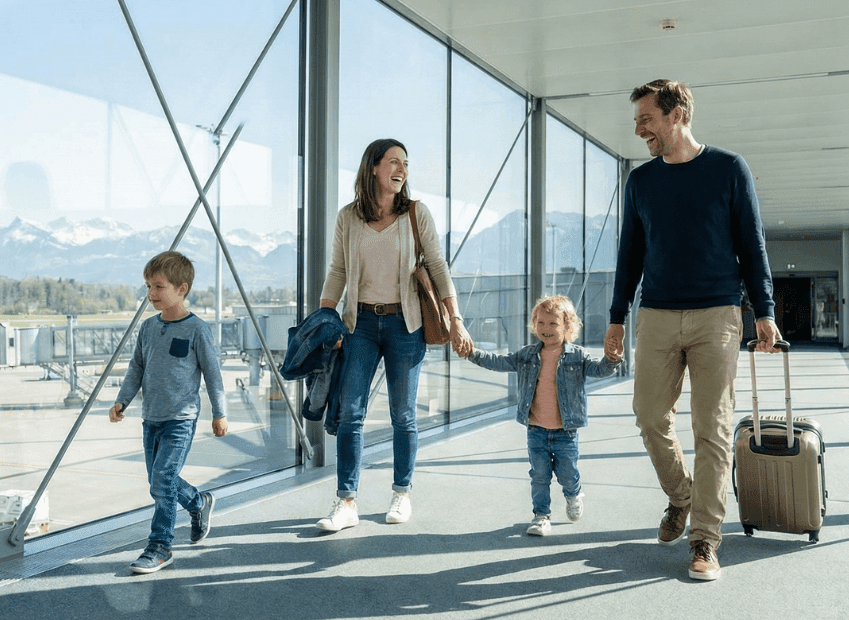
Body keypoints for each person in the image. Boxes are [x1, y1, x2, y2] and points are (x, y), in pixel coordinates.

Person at [604, 79, 782, 581]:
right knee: (648, 414)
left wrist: (763, 310)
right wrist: (616, 318)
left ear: (676, 112)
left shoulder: (728, 168)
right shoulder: (641, 182)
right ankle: (682, 497)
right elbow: (629, 257)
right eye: (637, 121)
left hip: (716, 317)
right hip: (656, 314)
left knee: (712, 427)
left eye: (646, 119)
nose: (639, 129)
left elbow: (753, 244)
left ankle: (705, 539)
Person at [315, 138, 473, 532]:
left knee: (403, 415)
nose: (401, 169)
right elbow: (338, 271)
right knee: (350, 412)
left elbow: (437, 266)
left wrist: (456, 318)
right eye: (393, 161)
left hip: (407, 324)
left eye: (405, 162)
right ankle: (346, 502)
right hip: (360, 326)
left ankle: (401, 493)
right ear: (373, 167)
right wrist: (324, 316)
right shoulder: (348, 217)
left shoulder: (416, 214)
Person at [110, 251, 228, 574]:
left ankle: (160, 545)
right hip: (152, 420)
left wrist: (220, 413)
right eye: (149, 286)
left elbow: (213, 375)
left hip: (181, 420)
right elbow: (136, 369)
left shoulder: (196, 330)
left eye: (159, 287)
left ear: (182, 289)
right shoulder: (148, 329)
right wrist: (123, 400)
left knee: (163, 478)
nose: (151, 294)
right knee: (159, 480)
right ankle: (198, 503)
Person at [466, 295, 621, 536]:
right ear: (534, 324)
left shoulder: (577, 356)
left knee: (568, 475)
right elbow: (499, 361)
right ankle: (541, 516)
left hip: (565, 433)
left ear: (567, 327)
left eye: (553, 324)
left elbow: (600, 370)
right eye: (540, 323)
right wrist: (472, 353)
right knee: (539, 476)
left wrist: (611, 359)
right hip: (536, 430)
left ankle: (573, 494)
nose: (545, 329)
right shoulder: (527, 355)